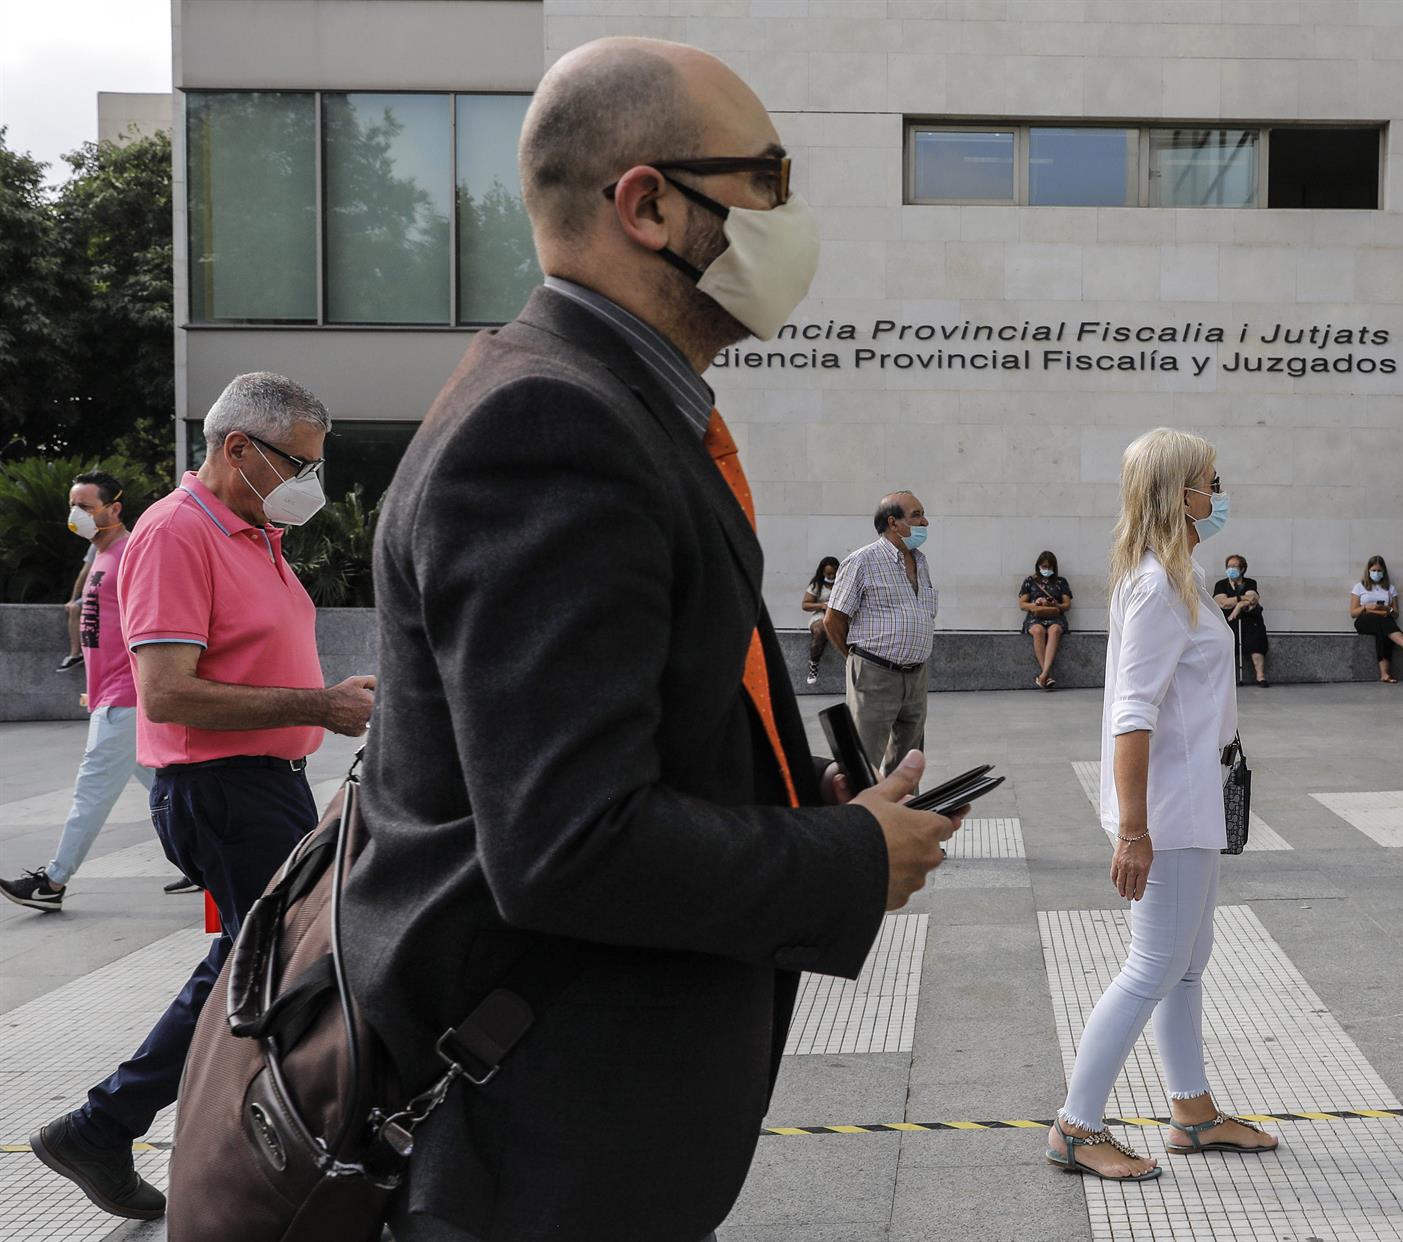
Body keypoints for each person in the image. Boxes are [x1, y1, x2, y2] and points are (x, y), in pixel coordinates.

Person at [337, 38, 962, 1242]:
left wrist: (793, 795)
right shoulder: (548, 426)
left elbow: (614, 731)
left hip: (577, 1135)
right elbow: (567, 841)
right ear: (649, 203)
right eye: (768, 179)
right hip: (539, 1156)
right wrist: (842, 863)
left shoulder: (601, 403)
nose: (790, 215)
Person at [28, 373, 377, 1222]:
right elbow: (168, 692)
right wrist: (319, 706)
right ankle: (120, 1124)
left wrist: (323, 702)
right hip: (221, 789)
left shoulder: (253, 532)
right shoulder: (176, 534)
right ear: (237, 449)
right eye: (300, 462)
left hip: (266, 784)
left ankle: (107, 1126)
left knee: (250, 966)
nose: (311, 484)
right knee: (274, 969)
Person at [1046, 427, 1276, 1182]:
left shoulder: (1181, 576)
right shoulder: (1154, 585)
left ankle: (1193, 1112)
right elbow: (1132, 713)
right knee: (1152, 965)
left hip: (1192, 798)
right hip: (1168, 810)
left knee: (1186, 963)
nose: (1219, 492)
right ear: (1180, 495)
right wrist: (1134, 830)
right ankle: (1077, 1127)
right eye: (1211, 480)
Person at [3, 474, 157, 912]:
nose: (77, 515)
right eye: (74, 505)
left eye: (86, 506)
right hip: (111, 696)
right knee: (166, 787)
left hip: (125, 699)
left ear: (115, 509)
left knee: (90, 792)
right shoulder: (101, 556)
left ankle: (52, 882)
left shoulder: (129, 556)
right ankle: (203, 864)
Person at [825, 491, 938, 775]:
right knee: (864, 764)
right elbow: (834, 619)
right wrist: (858, 662)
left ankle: (904, 816)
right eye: (916, 515)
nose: (925, 521)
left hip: (916, 677)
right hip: (874, 675)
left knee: (908, 766)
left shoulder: (921, 563)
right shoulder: (862, 561)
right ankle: (862, 818)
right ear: (893, 522)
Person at [1348, 555, 1403, 682]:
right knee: (1382, 623)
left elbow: (1395, 614)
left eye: (1379, 571)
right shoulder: (1359, 587)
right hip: (1365, 620)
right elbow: (1353, 612)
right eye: (1374, 570)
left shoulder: (1390, 588)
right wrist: (1365, 607)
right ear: (1368, 571)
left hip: (1384, 619)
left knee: (1382, 632)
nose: (1376, 573)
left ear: (1384, 572)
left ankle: (1384, 674)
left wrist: (1387, 609)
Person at [1018, 550, 1072, 689]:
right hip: (1035, 617)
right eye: (1044, 566)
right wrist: (1035, 603)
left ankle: (1043, 675)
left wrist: (1055, 604)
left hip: (1055, 617)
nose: (1046, 569)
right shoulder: (1030, 581)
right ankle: (1046, 675)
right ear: (1038, 566)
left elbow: (1067, 605)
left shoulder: (1061, 582)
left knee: (1054, 631)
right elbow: (1022, 604)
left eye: (1049, 567)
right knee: (1038, 631)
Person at [1213, 554, 1269, 687]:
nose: (1230, 569)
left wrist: (1237, 607)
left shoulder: (1250, 583)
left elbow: (1252, 600)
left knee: (1256, 642)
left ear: (1242, 569)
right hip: (1228, 621)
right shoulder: (1221, 585)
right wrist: (1240, 600)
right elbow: (1222, 603)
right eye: (1228, 566)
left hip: (1250, 620)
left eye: (1234, 566)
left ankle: (1260, 677)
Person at [801, 554, 840, 686]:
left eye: (833, 574)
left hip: (839, 616)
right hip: (821, 615)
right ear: (822, 571)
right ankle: (813, 665)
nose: (831, 577)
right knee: (820, 630)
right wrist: (822, 605)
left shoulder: (842, 583)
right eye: (828, 574)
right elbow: (805, 605)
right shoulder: (816, 584)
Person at [57, 544, 94, 672]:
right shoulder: (96, 545)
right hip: (97, 593)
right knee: (75, 608)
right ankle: (75, 654)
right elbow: (84, 572)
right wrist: (73, 599)